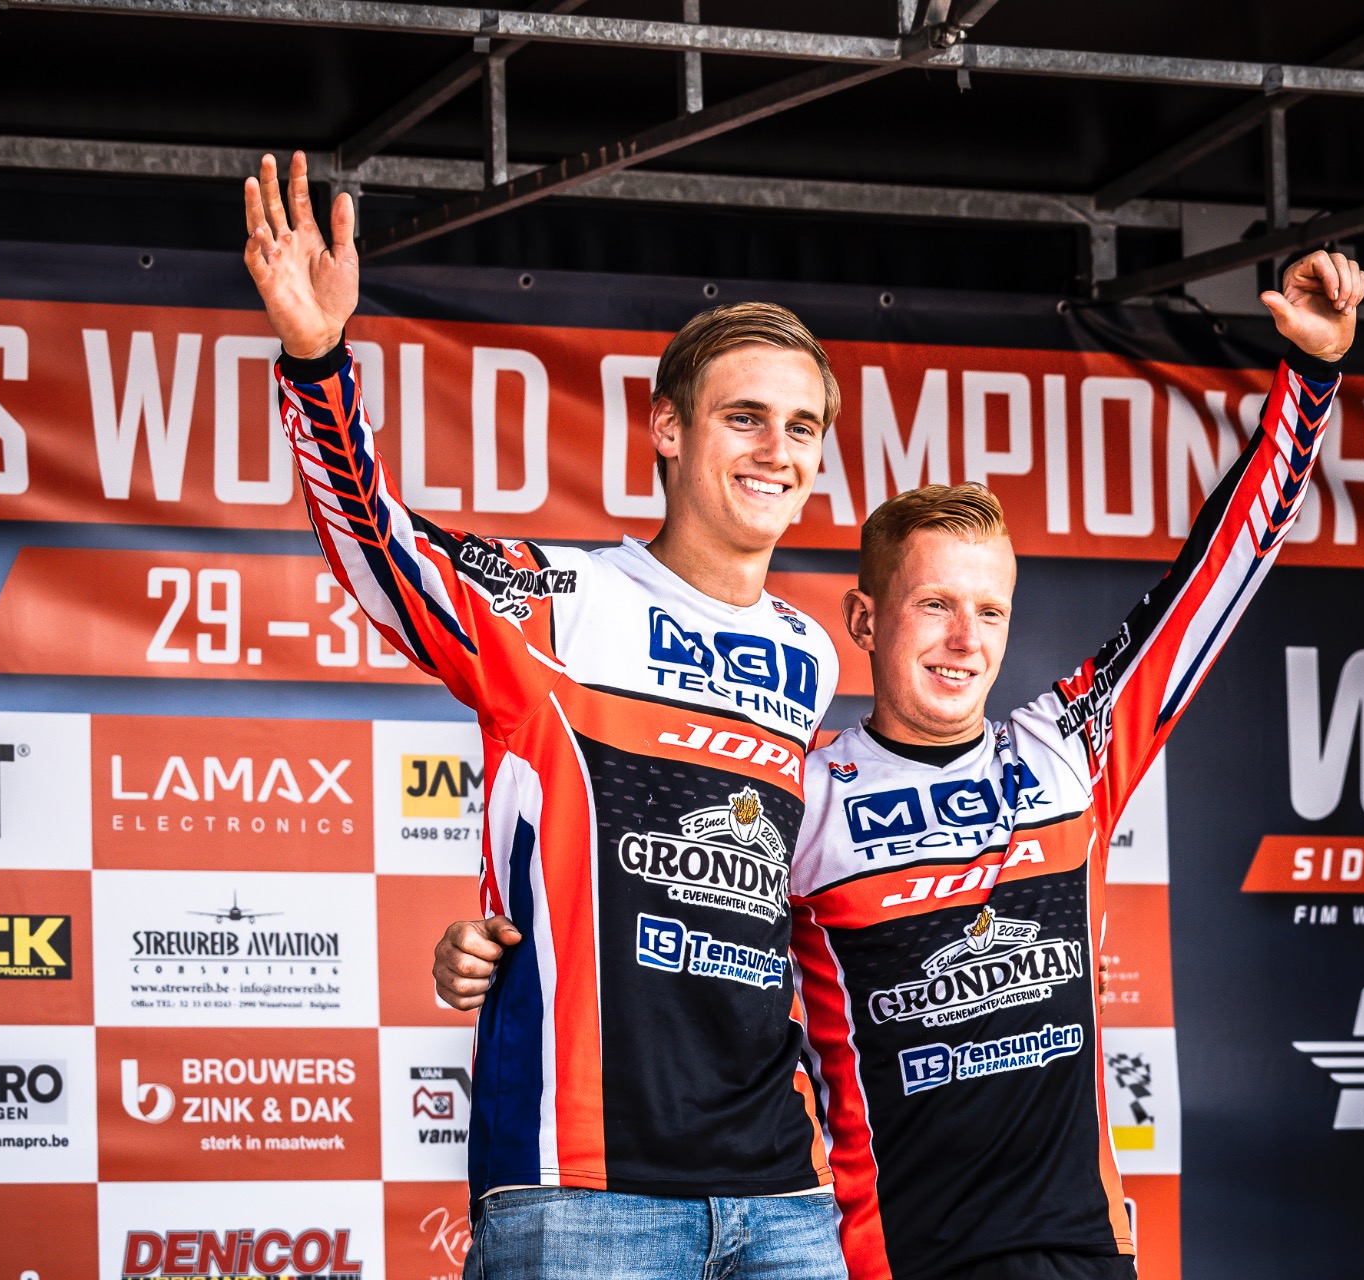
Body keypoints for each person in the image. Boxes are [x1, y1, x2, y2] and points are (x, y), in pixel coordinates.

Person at [437, 249, 1364, 1277]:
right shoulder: (806, 792)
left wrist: (1308, 381)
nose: (965, 639)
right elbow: (644, 904)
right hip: (885, 1256)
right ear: (865, 621)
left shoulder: (1070, 756)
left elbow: (1214, 579)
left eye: (991, 612)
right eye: (934, 606)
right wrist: (491, 943)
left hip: (1082, 1253)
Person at [241, 151, 848, 1278]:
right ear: (668, 429)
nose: (779, 451)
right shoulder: (554, 599)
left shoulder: (808, 652)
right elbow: (383, 549)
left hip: (782, 1194)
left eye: (803, 427)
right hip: (581, 1190)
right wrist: (318, 360)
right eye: (746, 418)